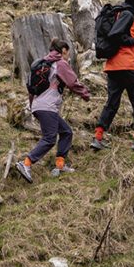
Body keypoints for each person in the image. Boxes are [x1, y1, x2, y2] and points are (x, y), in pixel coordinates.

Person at [15, 38, 90, 183]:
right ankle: (26, 163)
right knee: (49, 138)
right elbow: (72, 82)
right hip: (47, 107)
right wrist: (85, 94)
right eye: (68, 53)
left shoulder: (41, 64)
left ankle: (60, 165)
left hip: (39, 105)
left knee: (66, 132)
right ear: (63, 51)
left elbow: (32, 90)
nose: (68, 57)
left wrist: (33, 107)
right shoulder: (60, 63)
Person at [92, 0, 134, 150]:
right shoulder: (127, 14)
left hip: (113, 66)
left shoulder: (117, 12)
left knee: (112, 102)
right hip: (128, 65)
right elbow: (115, 35)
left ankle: (98, 137)